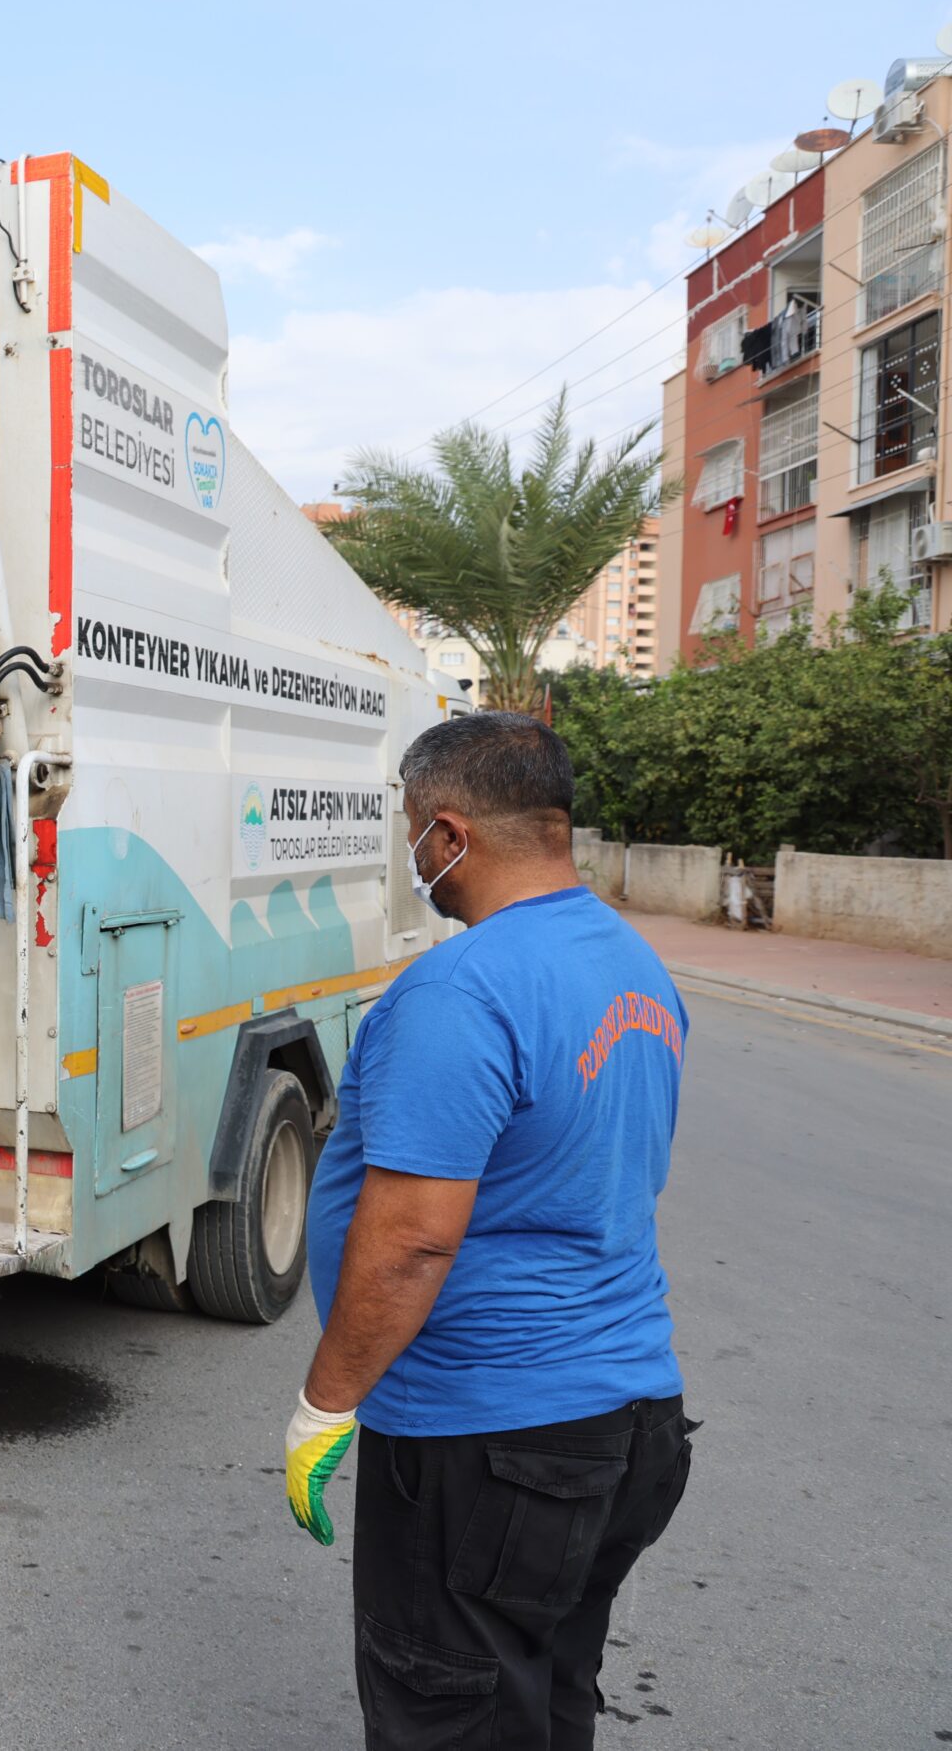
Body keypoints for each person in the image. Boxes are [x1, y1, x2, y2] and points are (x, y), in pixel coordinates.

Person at [287, 712, 697, 1750]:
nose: (411, 853)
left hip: (490, 1444)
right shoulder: (633, 964)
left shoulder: (460, 990)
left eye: (411, 831)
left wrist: (324, 1404)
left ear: (448, 834)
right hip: (625, 1424)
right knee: (546, 1694)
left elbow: (412, 1241)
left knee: (451, 1714)